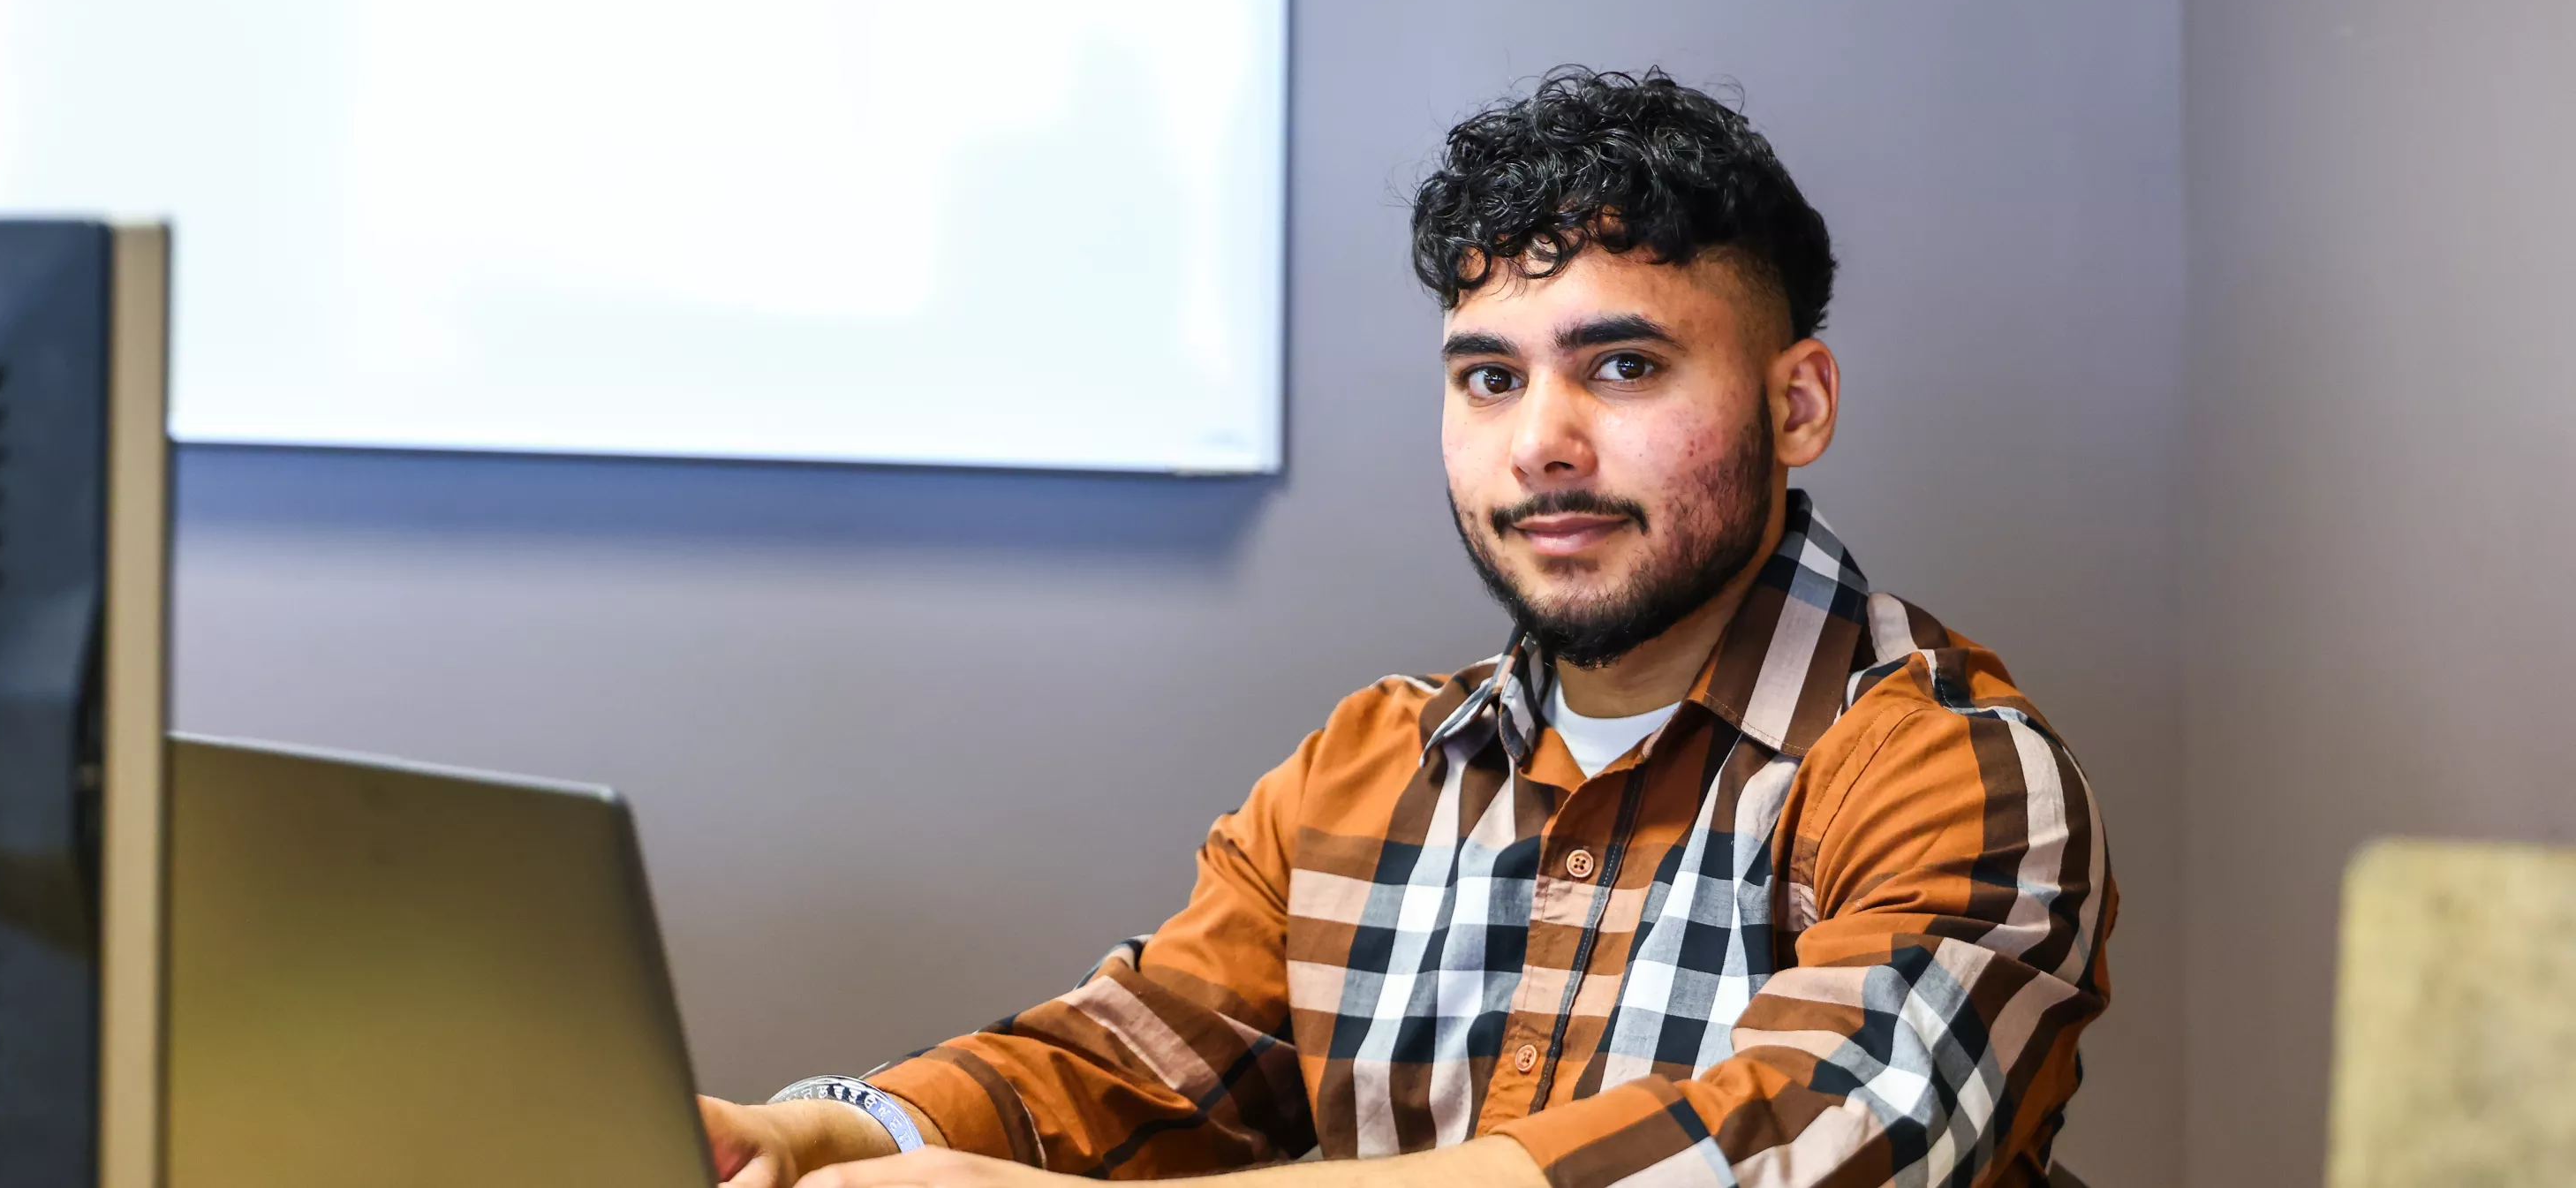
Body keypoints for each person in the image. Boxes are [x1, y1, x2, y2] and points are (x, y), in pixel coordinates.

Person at [703, 67, 2116, 1187]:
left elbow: (1795, 1146)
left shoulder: (1953, 773)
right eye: (1489, 378)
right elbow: (1132, 1063)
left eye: (1622, 366)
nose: (1544, 443)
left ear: (1796, 403)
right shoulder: (1372, 768)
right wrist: (828, 1132)